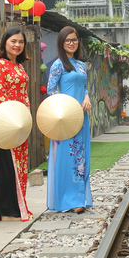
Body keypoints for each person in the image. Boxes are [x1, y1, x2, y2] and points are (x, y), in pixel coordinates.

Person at [0, 27, 33, 222]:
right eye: (13, 41)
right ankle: (3, 209)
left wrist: (25, 117)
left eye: (21, 42)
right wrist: (12, 118)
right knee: (5, 163)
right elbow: (0, 94)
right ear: (5, 43)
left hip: (21, 121)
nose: (17, 45)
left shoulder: (20, 66)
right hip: (6, 121)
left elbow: (24, 94)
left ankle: (18, 206)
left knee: (20, 165)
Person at [46, 26, 92, 213]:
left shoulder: (80, 65)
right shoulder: (58, 65)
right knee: (67, 157)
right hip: (65, 117)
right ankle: (69, 200)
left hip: (82, 117)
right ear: (61, 43)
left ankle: (80, 197)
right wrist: (65, 106)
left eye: (74, 40)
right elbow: (51, 90)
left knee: (82, 157)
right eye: (68, 40)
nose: (72, 43)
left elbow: (85, 87)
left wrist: (87, 97)